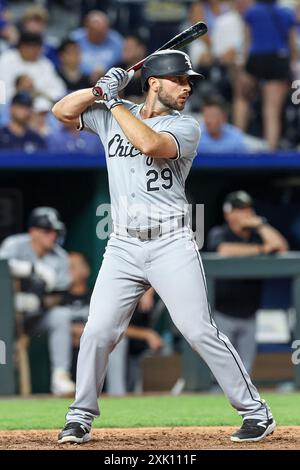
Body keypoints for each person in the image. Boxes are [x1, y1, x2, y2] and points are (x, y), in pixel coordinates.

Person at [52, 49, 275, 444]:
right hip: (122, 244)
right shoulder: (111, 113)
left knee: (197, 329)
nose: (187, 87)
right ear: (154, 82)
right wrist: (95, 90)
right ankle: (80, 415)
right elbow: (61, 111)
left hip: (171, 242)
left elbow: (150, 144)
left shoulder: (186, 126)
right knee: (97, 331)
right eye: (180, 80)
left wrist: (114, 100)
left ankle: (256, 412)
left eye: (189, 81)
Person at [207, 191, 289, 374]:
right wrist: (261, 250)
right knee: (222, 370)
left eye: (247, 209)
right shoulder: (220, 232)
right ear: (228, 213)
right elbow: (223, 249)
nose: (245, 213)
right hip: (222, 314)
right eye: (239, 209)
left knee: (245, 371)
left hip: (249, 315)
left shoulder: (257, 233)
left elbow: (281, 246)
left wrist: (260, 224)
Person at [0, 207, 75, 396]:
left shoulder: (60, 257)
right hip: (4, 317)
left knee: (61, 315)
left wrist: (38, 302)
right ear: (33, 231)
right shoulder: (14, 245)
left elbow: (62, 296)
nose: (52, 236)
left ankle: (60, 376)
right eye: (47, 231)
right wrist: (33, 270)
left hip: (34, 318)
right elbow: (2, 267)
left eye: (55, 232)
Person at [235, 0, 297, 149]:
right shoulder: (286, 13)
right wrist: (292, 64)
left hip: (257, 58)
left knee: (242, 99)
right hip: (278, 58)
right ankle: (271, 148)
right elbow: (291, 43)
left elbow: (247, 41)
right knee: (272, 109)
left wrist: (244, 68)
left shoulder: (251, 12)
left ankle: (235, 142)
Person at [0, 31, 66, 102]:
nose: (37, 51)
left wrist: (37, 92)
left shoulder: (45, 64)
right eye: (33, 47)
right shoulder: (6, 59)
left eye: (38, 47)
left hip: (39, 107)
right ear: (22, 47)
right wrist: (19, 91)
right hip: (10, 106)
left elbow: (59, 90)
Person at [70, 10, 124, 81]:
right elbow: (67, 60)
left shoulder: (116, 40)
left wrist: (105, 72)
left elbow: (121, 61)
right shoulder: (74, 39)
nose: (99, 35)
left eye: (103, 30)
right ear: (87, 28)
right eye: (95, 31)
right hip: (79, 79)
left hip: (110, 79)